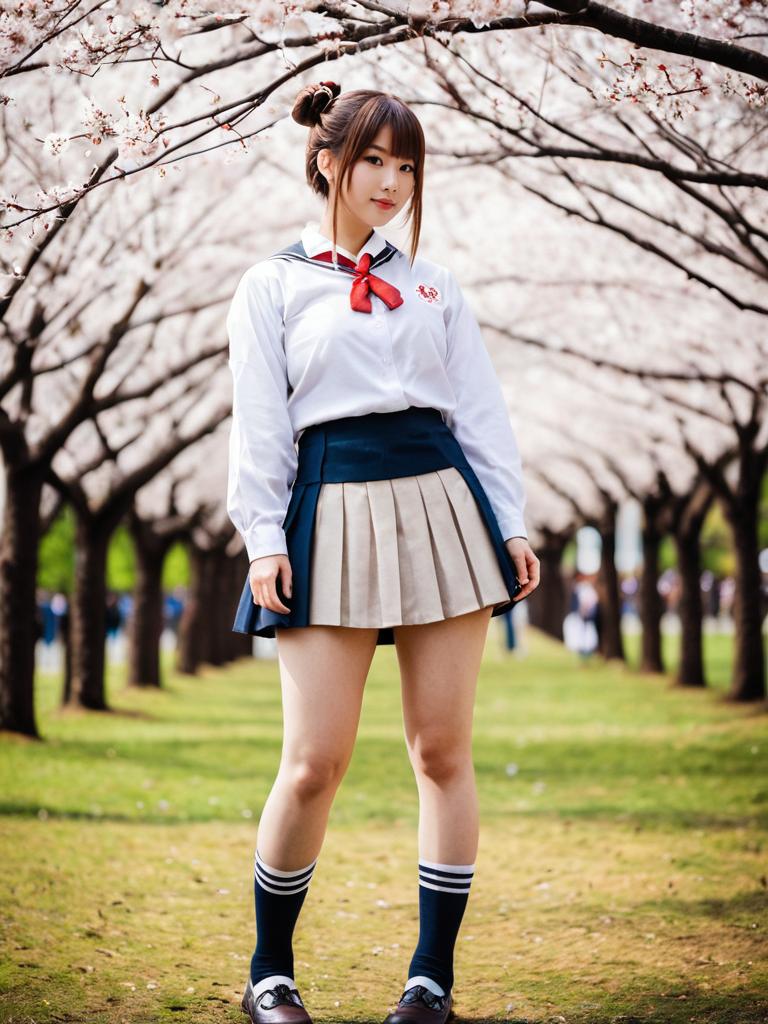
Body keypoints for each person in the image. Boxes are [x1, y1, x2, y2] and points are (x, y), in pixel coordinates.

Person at [226, 82, 540, 1024]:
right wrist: (262, 542)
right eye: (376, 162)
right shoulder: (273, 283)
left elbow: (479, 416)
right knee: (314, 759)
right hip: (329, 504)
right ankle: (269, 973)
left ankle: (431, 979)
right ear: (328, 161)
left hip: (442, 503)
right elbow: (261, 428)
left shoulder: (436, 285)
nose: (394, 183)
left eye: (408, 167)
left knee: (442, 749)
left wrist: (511, 523)